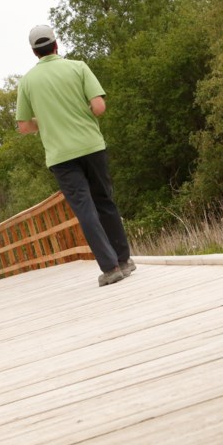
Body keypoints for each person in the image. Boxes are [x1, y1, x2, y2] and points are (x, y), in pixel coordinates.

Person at [16, 24, 136, 287]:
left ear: (34, 52)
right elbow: (99, 106)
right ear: (56, 45)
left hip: (60, 156)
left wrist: (45, 121)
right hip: (91, 146)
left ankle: (110, 267)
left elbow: (24, 126)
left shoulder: (27, 81)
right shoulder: (78, 67)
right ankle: (125, 260)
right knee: (104, 201)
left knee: (85, 209)